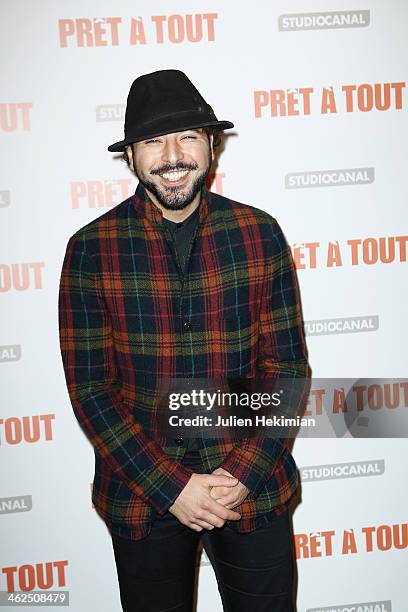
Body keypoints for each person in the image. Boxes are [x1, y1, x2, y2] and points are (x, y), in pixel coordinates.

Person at [58, 69, 311, 612]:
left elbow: (285, 369)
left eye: (188, 137)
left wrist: (240, 474)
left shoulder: (259, 233)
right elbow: (91, 390)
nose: (172, 155)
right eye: (153, 141)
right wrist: (172, 487)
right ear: (131, 156)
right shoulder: (90, 249)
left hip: (253, 489)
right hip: (142, 497)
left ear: (211, 145)